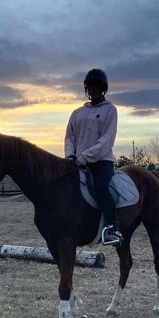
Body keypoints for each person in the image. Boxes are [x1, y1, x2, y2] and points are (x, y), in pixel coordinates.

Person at [65, 68, 124, 246]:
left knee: (101, 187)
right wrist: (70, 156)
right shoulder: (77, 113)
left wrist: (84, 157)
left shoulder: (110, 110)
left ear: (103, 89)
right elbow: (69, 137)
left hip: (101, 161)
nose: (92, 90)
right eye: (90, 87)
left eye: (96, 87)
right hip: (76, 162)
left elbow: (106, 140)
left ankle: (113, 228)